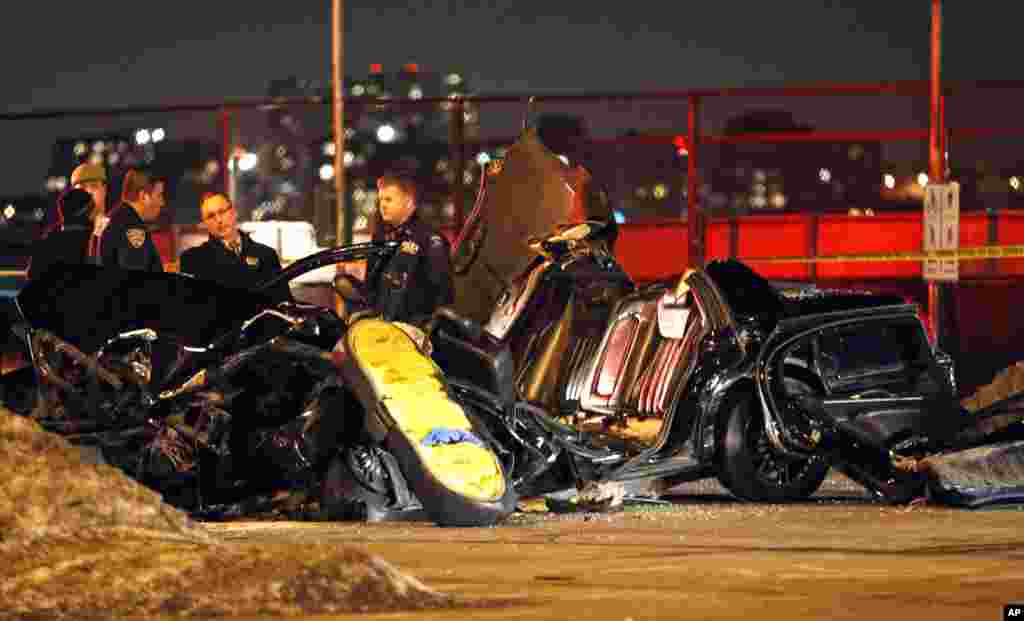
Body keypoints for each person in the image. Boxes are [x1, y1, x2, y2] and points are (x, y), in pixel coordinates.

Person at [363, 174, 453, 325]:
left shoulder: (429, 239)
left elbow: (442, 297)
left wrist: (424, 329)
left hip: (411, 335)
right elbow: (371, 288)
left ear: (409, 202)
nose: (382, 205)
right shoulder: (382, 238)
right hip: (381, 330)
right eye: (381, 200)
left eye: (389, 200)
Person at [179, 193, 291, 303]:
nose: (219, 220)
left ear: (233, 212)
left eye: (222, 212)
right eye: (210, 216)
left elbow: (285, 304)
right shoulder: (193, 260)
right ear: (205, 223)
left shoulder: (267, 255)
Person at [99, 168, 165, 272]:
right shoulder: (132, 227)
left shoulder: (113, 217)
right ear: (143, 196)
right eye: (159, 195)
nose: (162, 202)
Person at [27, 188, 98, 280]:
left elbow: (32, 274)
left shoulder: (48, 241)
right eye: (92, 207)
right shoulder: (94, 240)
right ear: (85, 211)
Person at [69, 162, 111, 253]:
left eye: (94, 186)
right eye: (82, 188)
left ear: (105, 189)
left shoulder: (117, 230)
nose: (88, 192)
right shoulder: (60, 233)